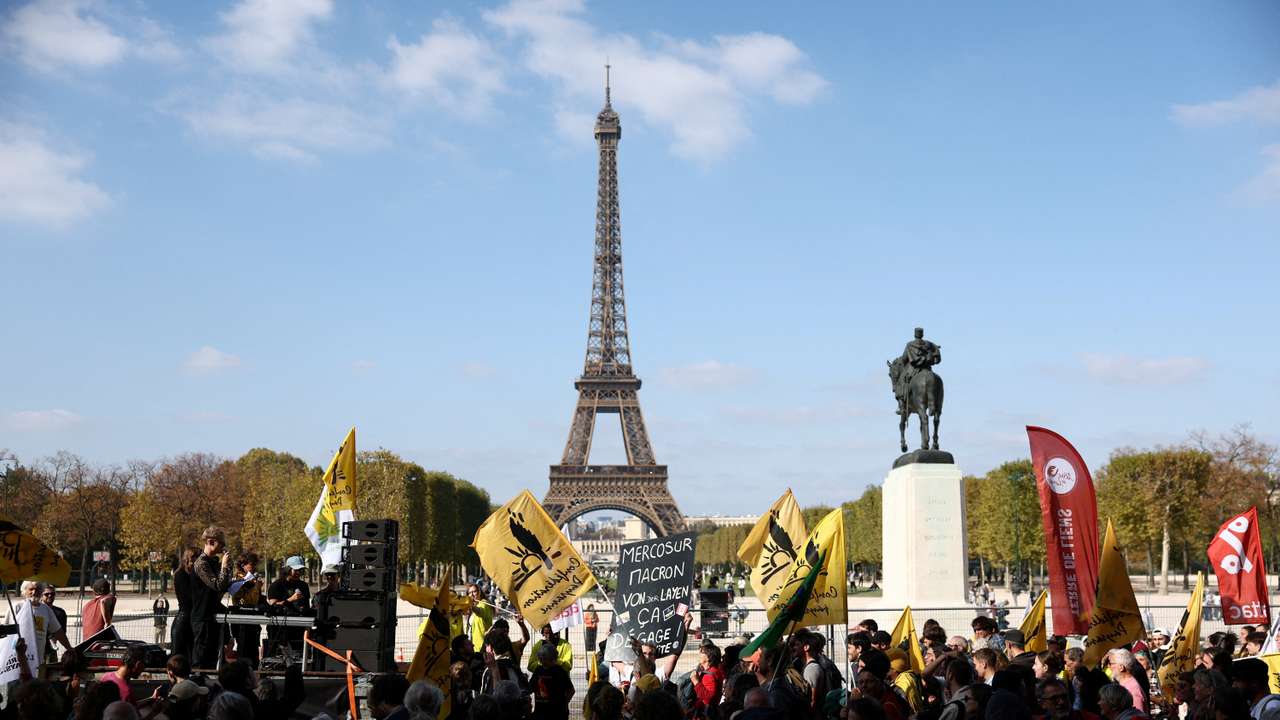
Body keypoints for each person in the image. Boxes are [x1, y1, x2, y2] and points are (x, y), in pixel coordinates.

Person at [191, 526, 234, 669]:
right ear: (210, 541)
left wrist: (228, 567)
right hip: (202, 616)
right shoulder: (201, 563)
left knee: (212, 656)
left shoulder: (213, 562)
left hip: (212, 613)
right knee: (201, 656)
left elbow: (224, 584)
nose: (222, 547)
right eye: (220, 544)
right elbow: (218, 585)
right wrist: (223, 566)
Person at [266, 555, 311, 655]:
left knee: (299, 656)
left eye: (301, 570)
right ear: (288, 569)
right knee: (278, 658)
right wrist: (290, 600)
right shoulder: (276, 585)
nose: (298, 573)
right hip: (280, 629)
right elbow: (273, 606)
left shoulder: (303, 585)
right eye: (296, 570)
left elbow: (306, 606)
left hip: (299, 628)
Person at [530, 642, 573, 720]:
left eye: (544, 658)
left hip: (557, 713)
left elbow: (571, 690)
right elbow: (531, 687)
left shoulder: (559, 671)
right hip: (540, 712)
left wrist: (564, 704)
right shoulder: (538, 670)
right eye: (541, 658)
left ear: (552, 658)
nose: (542, 660)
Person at [172, 546, 198, 659]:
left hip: (190, 617)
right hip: (184, 618)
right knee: (180, 654)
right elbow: (188, 598)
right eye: (194, 559)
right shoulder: (181, 574)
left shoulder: (192, 574)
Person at [1107, 649, 1148, 714]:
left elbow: (1138, 717)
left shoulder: (1132, 689)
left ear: (1121, 667)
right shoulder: (1126, 685)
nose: (1109, 666)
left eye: (1111, 663)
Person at [40, 585, 68, 661]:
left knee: (51, 669)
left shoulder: (60, 612)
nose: (50, 596)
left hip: (51, 649)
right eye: (46, 594)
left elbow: (62, 631)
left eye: (52, 594)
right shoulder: (36, 611)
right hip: (37, 648)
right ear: (41, 595)